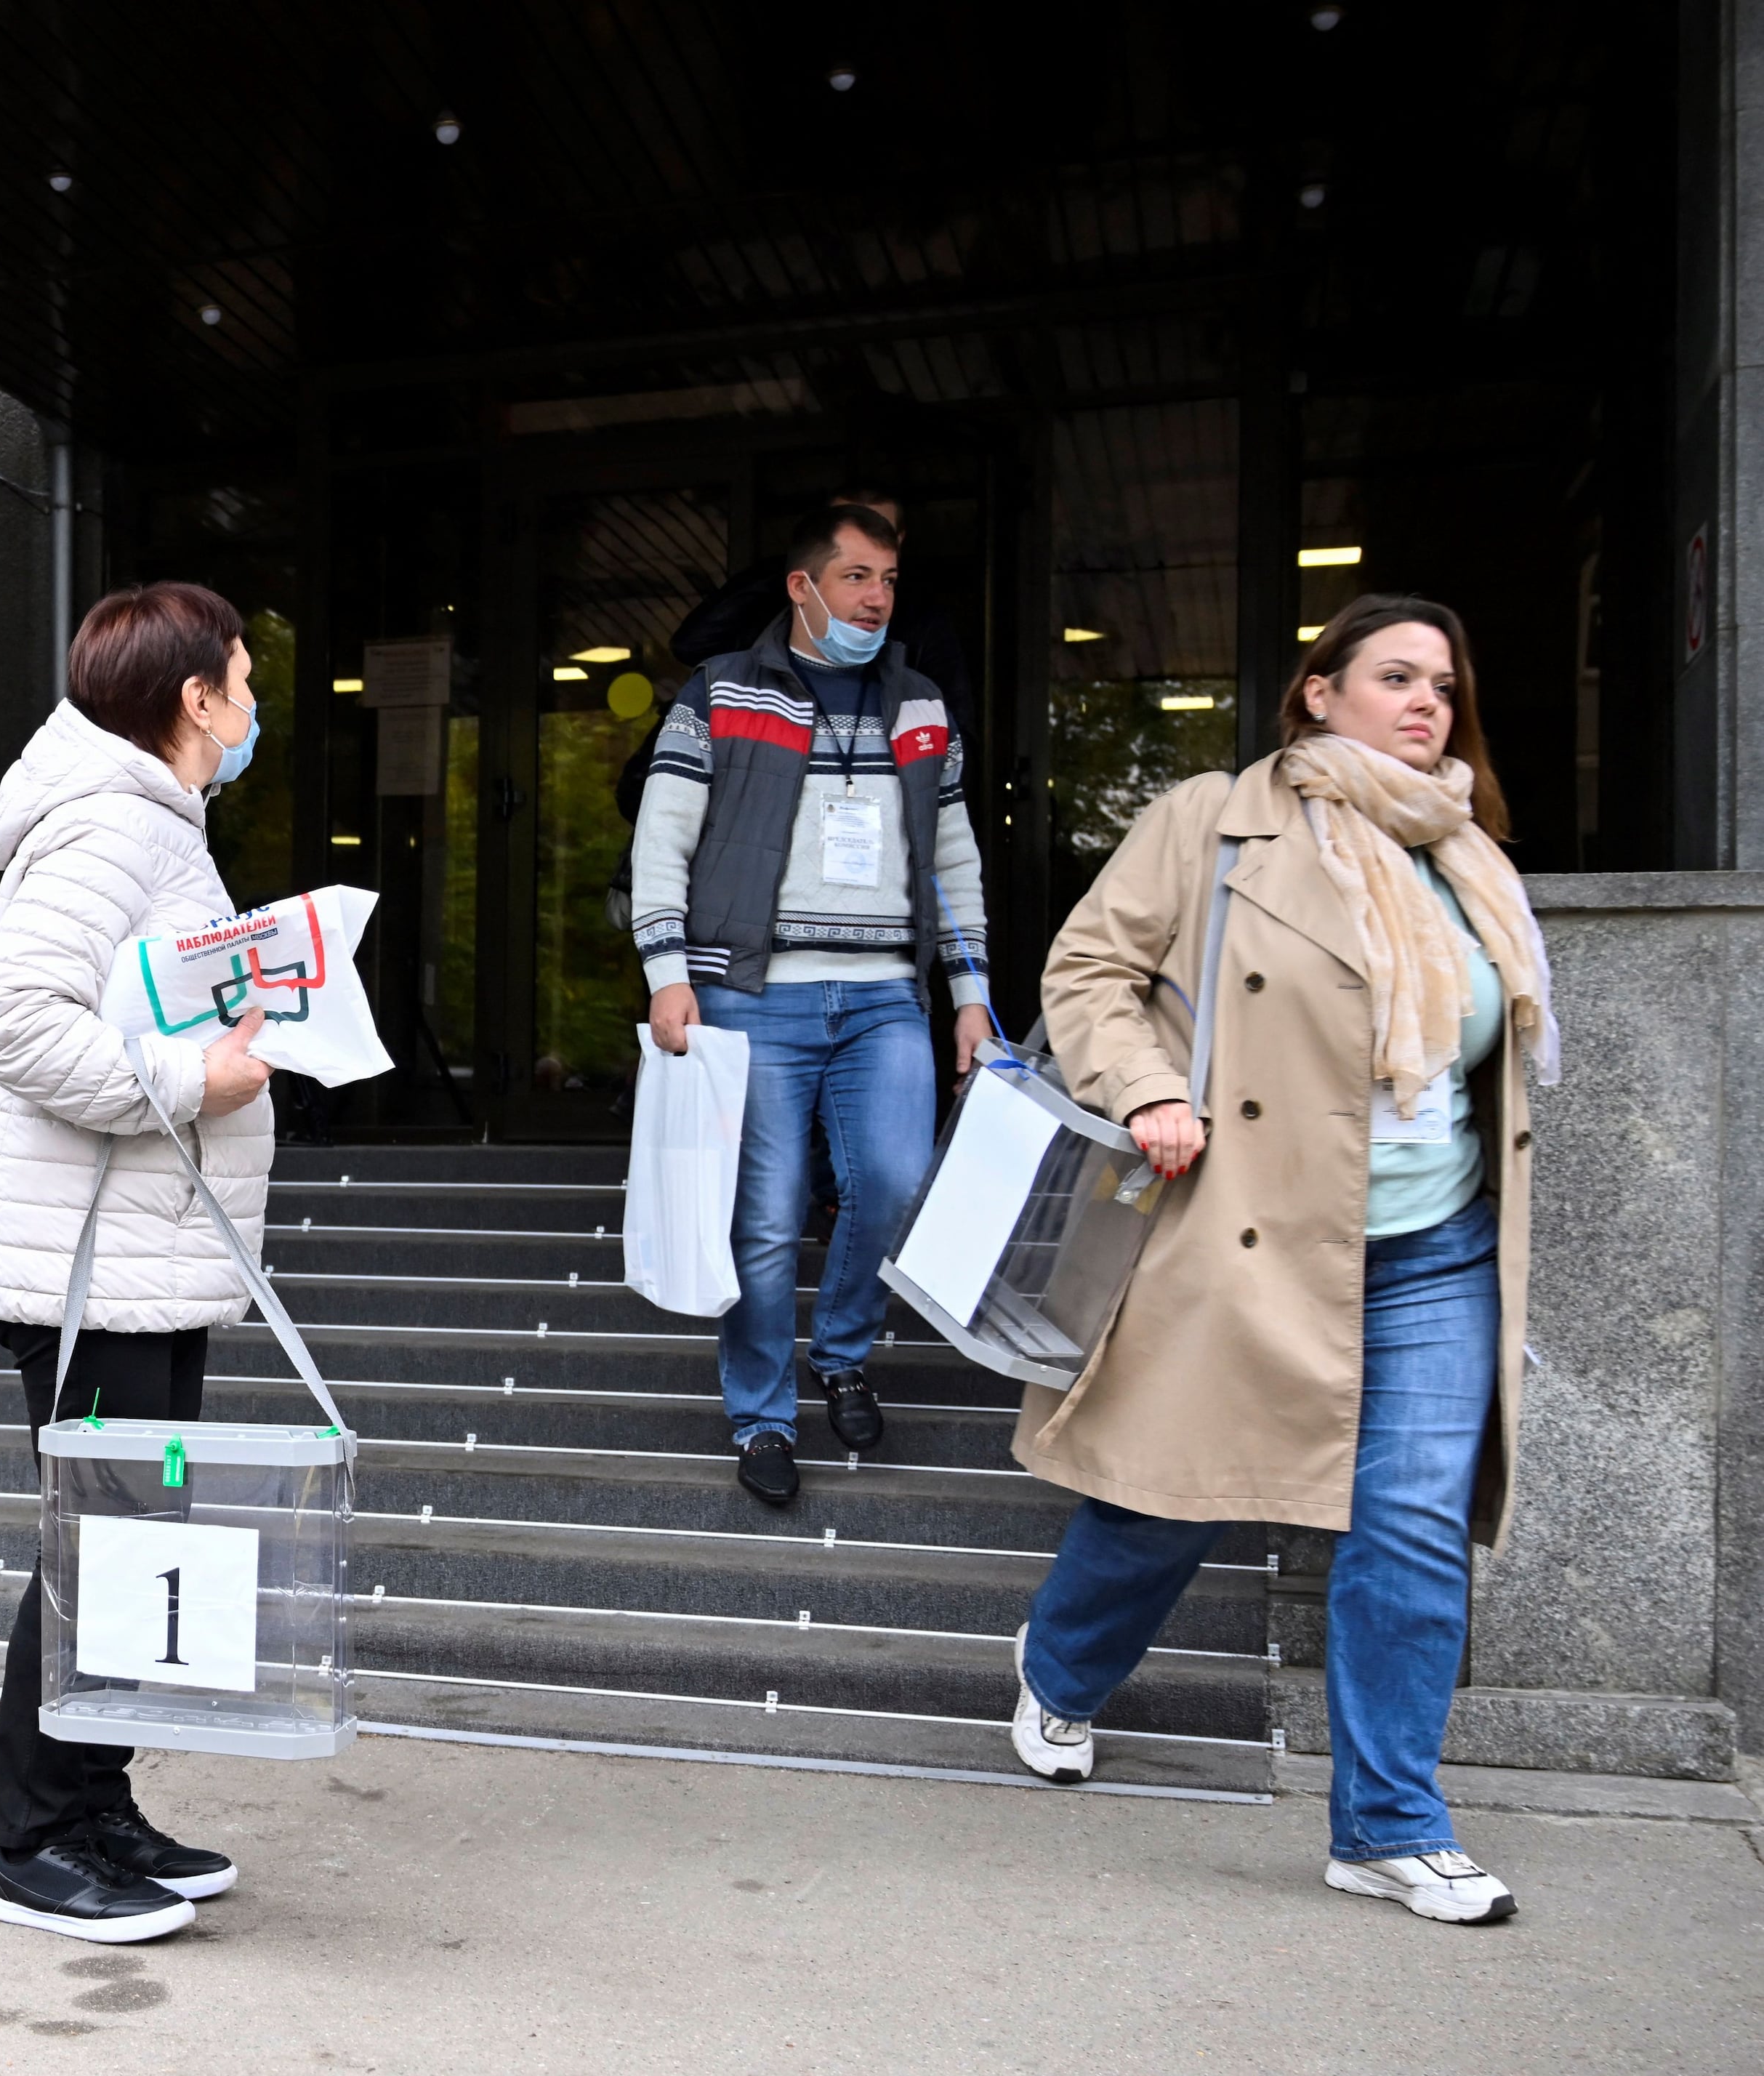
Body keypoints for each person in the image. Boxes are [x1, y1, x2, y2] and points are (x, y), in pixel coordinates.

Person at [1003, 597, 1553, 1926]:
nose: (1427, 700)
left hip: (1435, 1246)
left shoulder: (1464, 852)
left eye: (1444, 681)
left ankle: (1385, 1825)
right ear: (1319, 693)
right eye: (1395, 677)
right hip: (1252, 1224)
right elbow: (1089, 970)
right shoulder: (1215, 819)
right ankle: (1063, 1666)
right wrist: (1142, 1087)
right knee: (1179, 1497)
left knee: (1411, 1527)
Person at [0, 581, 276, 1944]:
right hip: (90, 1268)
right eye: (245, 681)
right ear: (192, 700)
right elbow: (12, 1018)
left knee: (126, 1534)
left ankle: (96, 1806)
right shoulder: (106, 827)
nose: (256, 703)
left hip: (139, 1258)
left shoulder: (153, 826)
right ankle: (36, 1842)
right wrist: (186, 1078)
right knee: (96, 1540)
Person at [635, 504, 998, 1507]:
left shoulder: (922, 705)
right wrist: (668, 970)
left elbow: (956, 862)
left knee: (894, 1181)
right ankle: (761, 1412)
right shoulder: (719, 694)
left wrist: (970, 995)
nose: (877, 597)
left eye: (887, 580)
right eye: (856, 578)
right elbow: (661, 839)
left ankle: (839, 1349)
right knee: (763, 1220)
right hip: (754, 996)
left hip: (885, 995)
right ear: (803, 587)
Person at [664, 487, 978, 736]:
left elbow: (952, 738)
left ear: (899, 542)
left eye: (877, 533)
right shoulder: (727, 679)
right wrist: (797, 568)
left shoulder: (921, 624)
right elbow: (691, 645)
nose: (875, 598)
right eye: (846, 533)